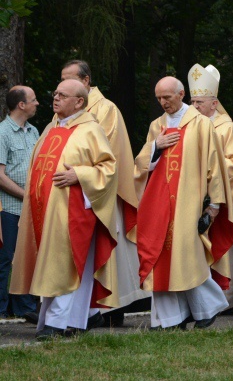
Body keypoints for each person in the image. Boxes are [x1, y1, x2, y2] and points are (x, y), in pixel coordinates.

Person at [10, 79, 119, 340]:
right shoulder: (50, 127)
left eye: (62, 95)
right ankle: (54, 321)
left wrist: (79, 175)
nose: (55, 98)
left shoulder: (91, 130)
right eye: (55, 93)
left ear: (79, 102)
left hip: (72, 213)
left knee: (64, 265)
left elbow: (108, 169)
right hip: (43, 210)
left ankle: (57, 324)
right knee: (49, 264)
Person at [134, 76, 228, 330]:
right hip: (158, 203)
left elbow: (214, 165)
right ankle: (169, 319)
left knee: (188, 257)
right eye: (159, 99)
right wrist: (156, 145)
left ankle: (207, 308)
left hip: (189, 202)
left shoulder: (200, 124)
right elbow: (141, 165)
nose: (163, 103)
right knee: (159, 256)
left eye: (167, 97)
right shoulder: (157, 125)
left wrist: (214, 206)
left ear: (181, 94)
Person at [60, 60, 149, 327]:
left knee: (109, 250)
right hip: (71, 192)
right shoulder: (63, 110)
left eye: (69, 79)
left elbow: (106, 153)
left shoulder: (106, 109)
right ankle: (78, 310)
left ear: (86, 81)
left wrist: (82, 173)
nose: (61, 86)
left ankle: (111, 308)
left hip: (101, 191)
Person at [188, 63, 233, 315]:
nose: (194, 107)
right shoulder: (190, 126)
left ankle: (229, 297)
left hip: (221, 200)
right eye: (192, 102)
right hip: (194, 197)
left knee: (224, 247)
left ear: (214, 104)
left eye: (199, 103)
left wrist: (207, 176)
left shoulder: (226, 128)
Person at [0, 86, 39, 321]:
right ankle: (2, 311)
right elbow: (0, 176)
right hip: (10, 209)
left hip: (31, 209)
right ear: (21, 105)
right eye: (33, 100)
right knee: (6, 259)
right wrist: (26, 196)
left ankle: (24, 308)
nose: (37, 103)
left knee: (27, 257)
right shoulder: (2, 132)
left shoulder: (34, 131)